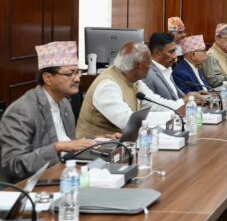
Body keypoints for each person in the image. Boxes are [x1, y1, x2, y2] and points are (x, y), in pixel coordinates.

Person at [0, 42, 103, 183]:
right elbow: (13, 165)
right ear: (48, 78)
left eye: (77, 72)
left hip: (65, 174)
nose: (77, 79)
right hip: (32, 185)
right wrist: (57, 147)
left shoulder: (64, 102)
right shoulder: (22, 110)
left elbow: (69, 143)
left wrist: (98, 139)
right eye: (69, 74)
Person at [76, 42, 189, 137]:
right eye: (149, 63)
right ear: (138, 66)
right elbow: (128, 121)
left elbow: (155, 102)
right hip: (95, 148)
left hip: (122, 143)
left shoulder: (133, 79)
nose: (151, 67)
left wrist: (179, 108)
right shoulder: (107, 85)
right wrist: (172, 116)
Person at [143, 32, 188, 101]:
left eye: (175, 51)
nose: (175, 56)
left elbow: (176, 96)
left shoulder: (167, 68)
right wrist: (184, 101)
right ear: (157, 53)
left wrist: (192, 98)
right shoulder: (146, 74)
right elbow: (152, 105)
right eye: (171, 52)